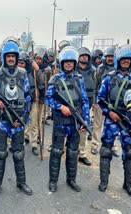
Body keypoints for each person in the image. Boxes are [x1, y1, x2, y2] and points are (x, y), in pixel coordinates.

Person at [97, 45, 131, 197]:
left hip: (128, 120)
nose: (125, 62)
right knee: (105, 150)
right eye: (123, 59)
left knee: (130, 152)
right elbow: (100, 99)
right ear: (118, 61)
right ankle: (104, 181)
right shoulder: (109, 78)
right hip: (112, 120)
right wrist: (109, 112)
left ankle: (128, 184)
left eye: (128, 60)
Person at [0, 39, 32, 196]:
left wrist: (23, 118)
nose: (11, 59)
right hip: (1, 121)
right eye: (8, 56)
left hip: (17, 120)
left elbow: (28, 98)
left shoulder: (23, 74)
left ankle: (21, 183)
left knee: (19, 154)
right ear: (4, 57)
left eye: (14, 56)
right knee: (0, 153)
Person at [45, 46, 90, 192]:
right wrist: (59, 107)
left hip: (75, 122)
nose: (69, 64)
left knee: (73, 152)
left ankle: (71, 179)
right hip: (60, 121)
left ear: (75, 63)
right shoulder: (55, 79)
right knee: (57, 151)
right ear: (62, 63)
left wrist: (85, 121)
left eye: (71, 62)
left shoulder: (79, 79)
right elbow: (48, 99)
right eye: (66, 62)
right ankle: (53, 181)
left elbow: (84, 100)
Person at [91, 47, 120, 157]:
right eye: (107, 56)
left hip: (114, 103)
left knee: (114, 124)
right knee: (97, 123)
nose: (109, 58)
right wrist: (94, 101)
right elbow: (95, 86)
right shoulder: (100, 69)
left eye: (111, 56)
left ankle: (113, 146)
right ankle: (94, 145)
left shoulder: (119, 68)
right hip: (101, 101)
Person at [18, 51, 43, 156]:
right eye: (19, 62)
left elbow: (40, 82)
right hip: (20, 102)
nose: (20, 65)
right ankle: (21, 143)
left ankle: (34, 145)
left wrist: (37, 69)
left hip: (32, 100)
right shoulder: (16, 72)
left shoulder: (33, 71)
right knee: (22, 122)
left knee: (34, 123)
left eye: (22, 63)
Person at [76, 47, 95, 166]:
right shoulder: (73, 69)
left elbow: (97, 87)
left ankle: (82, 154)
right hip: (73, 102)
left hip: (87, 103)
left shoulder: (94, 71)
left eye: (86, 56)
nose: (84, 57)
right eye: (81, 55)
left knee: (84, 128)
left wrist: (94, 100)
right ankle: (69, 150)